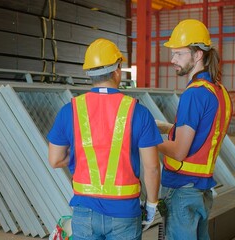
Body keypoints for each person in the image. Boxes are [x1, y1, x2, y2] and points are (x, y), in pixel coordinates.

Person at [47, 38, 163, 240]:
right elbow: (152, 168)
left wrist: (79, 155)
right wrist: (152, 205)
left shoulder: (70, 110)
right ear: (117, 70)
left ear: (89, 73)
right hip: (125, 212)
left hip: (84, 212)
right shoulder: (138, 112)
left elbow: (55, 159)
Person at [157, 19, 232, 240]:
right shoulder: (219, 91)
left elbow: (180, 151)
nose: (172, 60)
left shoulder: (193, 94)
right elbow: (205, 133)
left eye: (179, 54)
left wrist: (147, 136)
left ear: (197, 55)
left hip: (181, 188)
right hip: (201, 188)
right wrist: (167, 127)